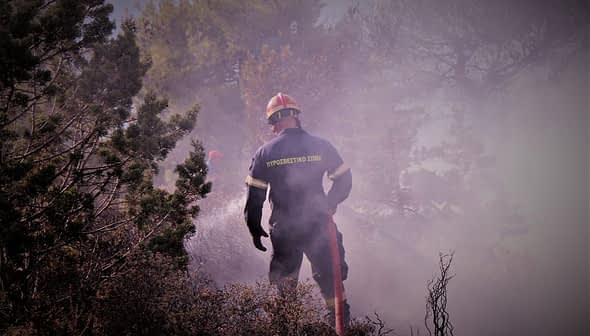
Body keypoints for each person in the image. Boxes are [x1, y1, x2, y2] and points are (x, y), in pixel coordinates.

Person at [244, 92, 353, 326]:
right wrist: (330, 203)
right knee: (332, 283)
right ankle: (341, 327)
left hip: (284, 231)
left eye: (272, 123)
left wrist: (254, 227)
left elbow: (255, 197)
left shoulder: (265, 153)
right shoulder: (321, 146)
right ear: (296, 116)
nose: (272, 129)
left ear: (274, 122)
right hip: (319, 226)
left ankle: (287, 328)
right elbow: (344, 180)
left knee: (285, 291)